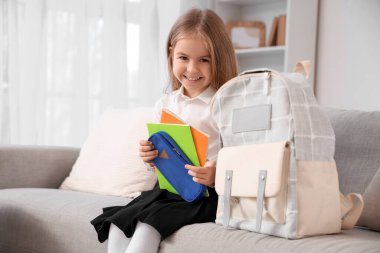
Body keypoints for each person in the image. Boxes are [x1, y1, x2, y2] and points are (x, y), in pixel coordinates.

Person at [91, 8, 238, 253]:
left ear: (219, 59)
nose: (192, 69)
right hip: (168, 190)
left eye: (204, 60)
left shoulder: (224, 103)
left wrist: (216, 171)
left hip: (203, 195)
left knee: (148, 226)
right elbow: (161, 158)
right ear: (171, 54)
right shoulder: (167, 103)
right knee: (118, 224)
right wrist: (150, 156)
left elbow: (239, 153)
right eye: (183, 58)